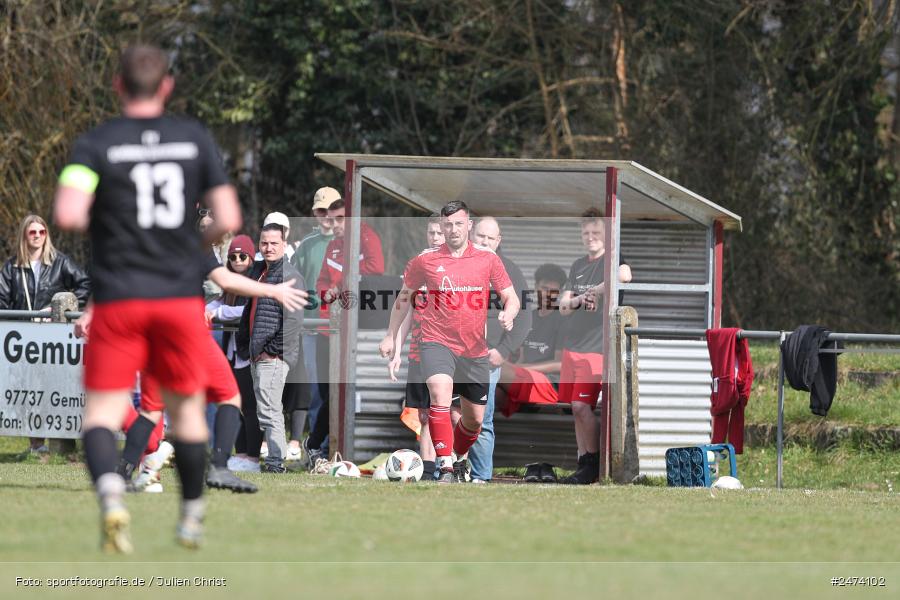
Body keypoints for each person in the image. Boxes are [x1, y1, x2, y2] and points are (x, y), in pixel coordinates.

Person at [53, 44, 244, 553]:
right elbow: (227, 218)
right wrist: (185, 245)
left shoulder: (96, 143)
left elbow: (69, 213)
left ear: (117, 86)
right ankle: (191, 517)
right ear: (166, 87)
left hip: (119, 299)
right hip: (178, 298)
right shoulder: (193, 139)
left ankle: (113, 497)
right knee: (184, 414)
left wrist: (114, 227)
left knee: (100, 413)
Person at [380, 200, 519, 484]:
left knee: (474, 421)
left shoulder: (488, 259)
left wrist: (509, 313)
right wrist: (390, 335)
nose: (453, 229)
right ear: (441, 227)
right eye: (448, 225)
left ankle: (456, 457)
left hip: (474, 349)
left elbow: (511, 296)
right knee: (439, 396)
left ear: (468, 225)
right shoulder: (425, 260)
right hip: (435, 341)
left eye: (459, 224)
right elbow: (404, 299)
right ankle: (444, 467)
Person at [0, 214, 91, 453]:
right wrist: (18, 320)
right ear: (24, 235)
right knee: (28, 390)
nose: (38, 236)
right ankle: (36, 444)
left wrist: (60, 307)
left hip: (53, 339)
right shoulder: (11, 267)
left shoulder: (60, 262)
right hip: (23, 341)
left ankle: (60, 444)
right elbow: (2, 301)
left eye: (42, 232)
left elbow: (84, 284)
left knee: (54, 388)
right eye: (33, 232)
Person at [307, 198, 384, 464]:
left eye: (340, 218)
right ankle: (320, 448)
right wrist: (326, 293)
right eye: (331, 219)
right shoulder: (333, 246)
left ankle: (316, 445)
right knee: (326, 391)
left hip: (353, 331)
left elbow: (376, 270)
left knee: (339, 392)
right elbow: (321, 284)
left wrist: (341, 286)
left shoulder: (367, 238)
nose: (335, 224)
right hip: (328, 328)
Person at [557, 208, 632, 485]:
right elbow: (563, 306)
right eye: (586, 233)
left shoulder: (613, 259)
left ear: (607, 234)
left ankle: (595, 463)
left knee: (581, 406)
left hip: (597, 349)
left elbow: (625, 276)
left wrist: (595, 291)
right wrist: (578, 300)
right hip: (572, 347)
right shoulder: (577, 265)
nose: (591, 237)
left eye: (596, 232)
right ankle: (583, 463)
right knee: (575, 410)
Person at [385, 214, 457, 481]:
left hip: (451, 351)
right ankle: (428, 470)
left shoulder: (457, 264)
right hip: (420, 350)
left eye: (440, 233)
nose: (436, 237)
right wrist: (396, 349)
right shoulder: (418, 264)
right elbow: (407, 311)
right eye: (432, 233)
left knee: (453, 412)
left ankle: (454, 465)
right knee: (425, 414)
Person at [236, 223, 306, 473]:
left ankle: (277, 462)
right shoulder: (259, 272)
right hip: (258, 353)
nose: (268, 248)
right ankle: (276, 460)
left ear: (284, 245)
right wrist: (248, 345)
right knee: (266, 408)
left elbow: (294, 321)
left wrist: (271, 350)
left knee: (269, 409)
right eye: (264, 243)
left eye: (274, 243)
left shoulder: (291, 276)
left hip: (273, 355)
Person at [466, 217, 532, 484]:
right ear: (472, 234)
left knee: (481, 418)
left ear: (499, 241)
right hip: (454, 354)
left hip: (486, 357)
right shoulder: (458, 264)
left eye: (491, 238)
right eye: (481, 236)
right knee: (448, 413)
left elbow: (525, 318)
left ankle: (481, 476)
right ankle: (448, 471)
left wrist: (503, 350)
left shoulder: (510, 271)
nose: (485, 242)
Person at [290, 186, 339, 458]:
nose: (326, 216)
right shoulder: (307, 244)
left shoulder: (348, 242)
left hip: (340, 328)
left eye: (330, 210)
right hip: (312, 326)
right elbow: (296, 282)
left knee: (339, 389)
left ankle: (335, 444)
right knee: (318, 391)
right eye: (321, 211)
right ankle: (317, 450)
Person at [207, 235, 262, 471]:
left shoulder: (255, 280)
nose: (238, 260)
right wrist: (205, 311)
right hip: (231, 352)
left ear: (251, 257)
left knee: (250, 407)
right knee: (233, 403)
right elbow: (217, 304)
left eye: (243, 256)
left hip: (247, 352)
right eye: (233, 257)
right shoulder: (229, 284)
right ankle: (240, 453)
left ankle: (253, 456)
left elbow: (246, 310)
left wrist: (220, 313)